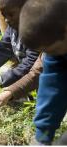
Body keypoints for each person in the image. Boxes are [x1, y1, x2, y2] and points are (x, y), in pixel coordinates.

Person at [19, 0, 67, 145]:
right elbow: (52, 85)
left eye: (54, 50)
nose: (52, 54)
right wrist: (42, 135)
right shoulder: (56, 52)